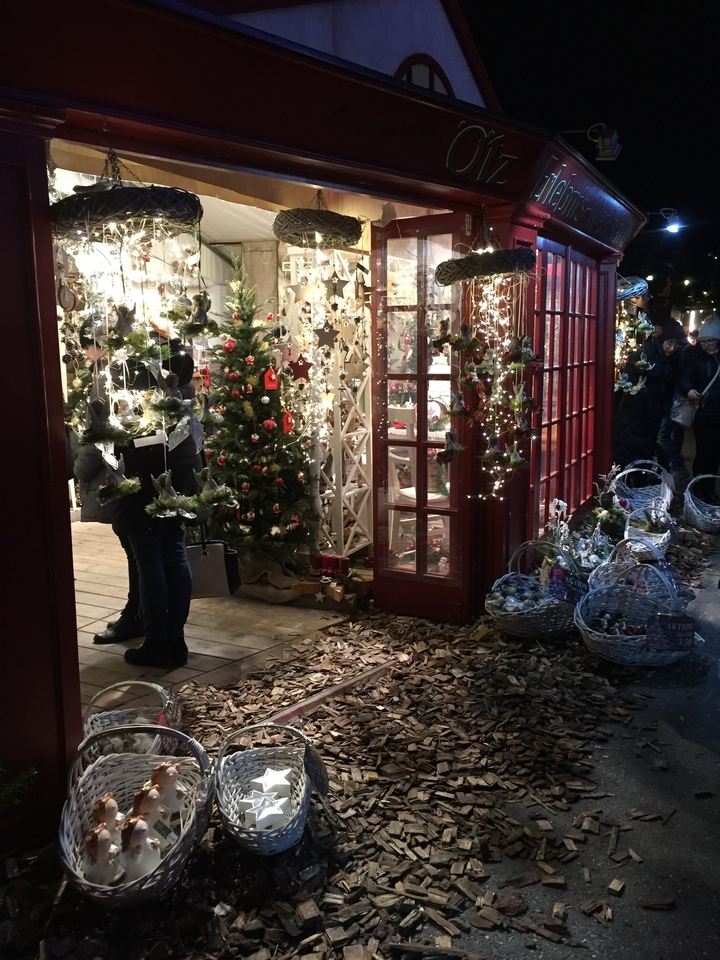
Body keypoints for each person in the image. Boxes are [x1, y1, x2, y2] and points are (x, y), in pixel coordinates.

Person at [114, 380, 200, 669]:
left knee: (150, 565)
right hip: (177, 487)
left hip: (144, 490)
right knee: (174, 558)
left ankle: (157, 643)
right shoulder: (181, 398)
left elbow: (120, 451)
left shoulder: (135, 398)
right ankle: (175, 640)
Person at [77, 318, 144, 644]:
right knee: (140, 551)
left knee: (136, 550)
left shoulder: (109, 377)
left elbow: (101, 435)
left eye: (86, 347)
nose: (86, 355)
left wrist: (80, 468)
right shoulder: (138, 367)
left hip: (118, 473)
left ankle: (137, 616)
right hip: (137, 470)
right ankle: (142, 615)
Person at [613, 320, 683, 469]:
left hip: (653, 413)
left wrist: (665, 405)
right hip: (634, 410)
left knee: (645, 449)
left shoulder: (672, 360)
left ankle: (639, 478)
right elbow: (630, 377)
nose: (671, 348)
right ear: (662, 339)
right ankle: (624, 480)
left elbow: (669, 385)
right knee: (627, 447)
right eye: (669, 343)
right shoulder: (647, 352)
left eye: (676, 345)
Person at [678, 314, 720, 502]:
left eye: (710, 341)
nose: (706, 345)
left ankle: (709, 488)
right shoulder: (694, 357)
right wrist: (690, 390)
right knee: (703, 450)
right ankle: (697, 488)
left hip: (718, 411)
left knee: (715, 453)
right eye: (703, 341)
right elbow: (685, 377)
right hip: (703, 412)